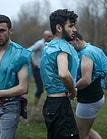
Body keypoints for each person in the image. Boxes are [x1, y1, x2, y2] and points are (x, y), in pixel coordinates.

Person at [0, 15, 30, 139]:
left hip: (11, 105)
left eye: (2, 30)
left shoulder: (20, 54)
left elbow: (24, 88)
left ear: (10, 30)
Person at [40, 9, 80, 139]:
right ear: (59, 27)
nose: (74, 29)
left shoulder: (49, 46)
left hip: (50, 102)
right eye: (70, 26)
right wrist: (72, 91)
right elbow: (63, 73)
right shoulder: (62, 46)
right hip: (60, 104)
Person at [69, 32, 107, 139]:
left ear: (76, 40)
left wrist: (72, 89)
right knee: (86, 130)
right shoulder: (94, 48)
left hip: (89, 100)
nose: (70, 48)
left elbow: (86, 80)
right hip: (97, 95)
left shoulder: (86, 53)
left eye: (70, 44)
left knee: (83, 134)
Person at [28, 30, 53, 111]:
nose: (50, 38)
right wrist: (32, 63)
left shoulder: (50, 44)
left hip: (45, 69)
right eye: (48, 36)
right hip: (37, 69)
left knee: (48, 87)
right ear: (44, 36)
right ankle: (34, 106)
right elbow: (28, 51)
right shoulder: (40, 44)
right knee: (40, 88)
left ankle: (46, 105)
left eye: (51, 36)